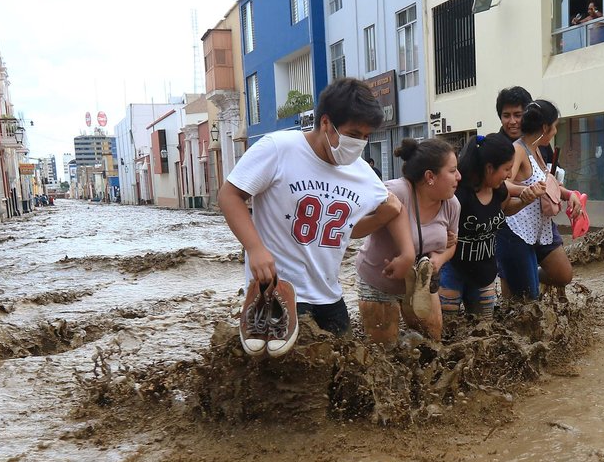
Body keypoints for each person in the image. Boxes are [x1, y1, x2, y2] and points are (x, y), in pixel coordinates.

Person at [219, 77, 415, 338]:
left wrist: (407, 254)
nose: (359, 144)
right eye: (354, 135)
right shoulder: (279, 149)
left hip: (329, 296)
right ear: (326, 123)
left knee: (345, 371)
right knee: (284, 373)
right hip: (281, 291)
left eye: (366, 137)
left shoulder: (361, 172)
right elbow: (229, 195)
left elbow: (386, 211)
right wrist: (255, 248)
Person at [356, 138, 460, 344]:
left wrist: (439, 259)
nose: (459, 176)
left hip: (420, 285)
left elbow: (453, 244)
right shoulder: (395, 192)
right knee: (384, 354)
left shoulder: (452, 204)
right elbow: (351, 227)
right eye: (453, 171)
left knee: (432, 343)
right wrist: (380, 217)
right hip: (379, 281)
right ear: (430, 176)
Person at [439, 133, 543, 317]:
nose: (510, 175)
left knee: (484, 330)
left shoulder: (500, 191)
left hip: (484, 273)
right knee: (448, 331)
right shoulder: (459, 194)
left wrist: (524, 202)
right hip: (452, 271)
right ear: (489, 168)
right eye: (506, 169)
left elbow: (504, 211)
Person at [505, 100, 582, 292]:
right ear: (545, 127)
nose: (555, 132)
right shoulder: (518, 150)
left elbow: (546, 184)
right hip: (518, 229)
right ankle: (518, 277)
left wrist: (569, 194)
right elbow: (503, 183)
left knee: (563, 275)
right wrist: (524, 191)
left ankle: (527, 275)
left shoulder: (538, 149)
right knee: (525, 298)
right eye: (555, 127)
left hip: (543, 227)